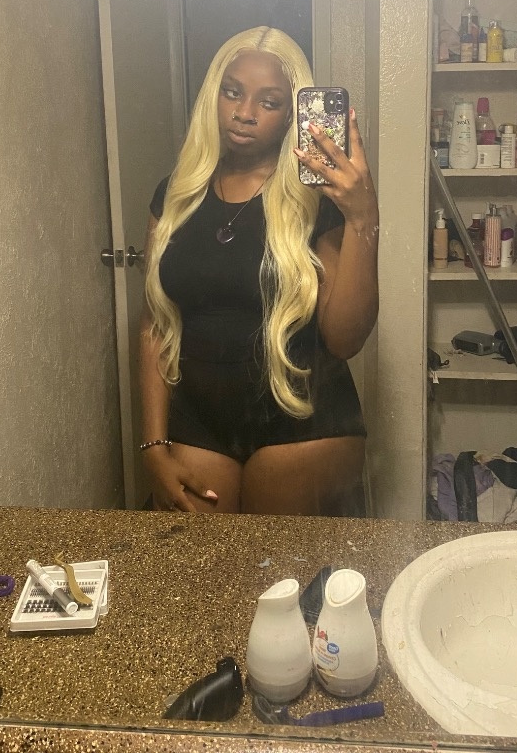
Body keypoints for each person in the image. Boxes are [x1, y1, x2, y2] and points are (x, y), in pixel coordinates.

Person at [139, 26, 379, 515]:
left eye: (269, 102)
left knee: (274, 565)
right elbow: (156, 323)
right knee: (197, 563)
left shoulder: (317, 198)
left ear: (292, 113)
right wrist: (152, 446)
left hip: (305, 421)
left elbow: (345, 339)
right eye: (233, 92)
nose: (245, 112)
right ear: (214, 94)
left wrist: (362, 218)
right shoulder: (176, 193)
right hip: (198, 419)